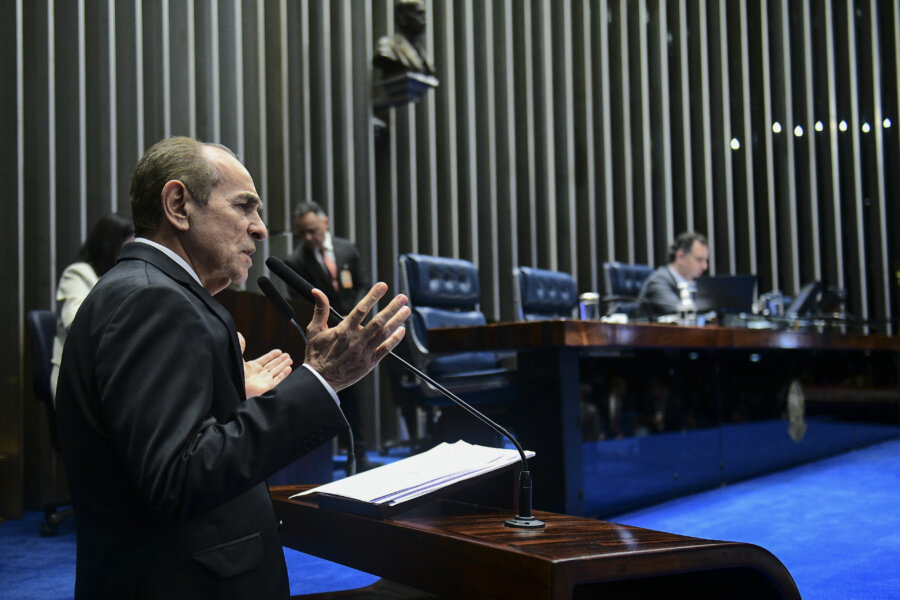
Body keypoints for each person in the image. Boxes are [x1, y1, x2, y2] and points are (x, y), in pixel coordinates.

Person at [55, 136, 410, 598]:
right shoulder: (153, 300)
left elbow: (159, 449)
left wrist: (228, 398)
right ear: (178, 204)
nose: (260, 229)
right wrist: (322, 379)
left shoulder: (147, 291)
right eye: (245, 206)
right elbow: (177, 478)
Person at [284, 201, 373, 471]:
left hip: (355, 329)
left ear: (326, 223)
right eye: (303, 234)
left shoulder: (347, 249)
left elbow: (363, 284)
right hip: (327, 336)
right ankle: (342, 455)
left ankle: (359, 453)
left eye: (313, 230)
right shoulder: (294, 261)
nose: (309, 238)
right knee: (334, 396)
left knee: (356, 396)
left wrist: (356, 316)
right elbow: (298, 302)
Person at [50, 214, 135, 403]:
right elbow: (77, 323)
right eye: (129, 246)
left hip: (115, 374)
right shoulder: (79, 274)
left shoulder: (131, 278)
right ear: (108, 246)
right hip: (78, 378)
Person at [638, 231, 710, 316]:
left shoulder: (695, 284)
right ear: (680, 256)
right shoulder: (658, 282)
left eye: (705, 260)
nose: (705, 266)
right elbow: (684, 313)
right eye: (699, 260)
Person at [373, 0, 436, 78]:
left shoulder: (422, 55)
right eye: (419, 13)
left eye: (424, 14)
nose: (424, 19)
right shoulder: (388, 46)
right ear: (402, 18)